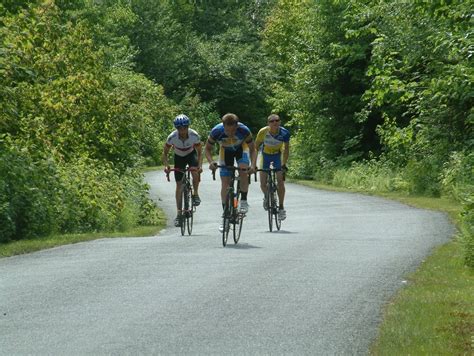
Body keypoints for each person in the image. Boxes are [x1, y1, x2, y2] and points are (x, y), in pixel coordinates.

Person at [204, 113, 257, 232]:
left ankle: (243, 200)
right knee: (225, 183)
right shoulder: (216, 131)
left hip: (241, 149)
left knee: (243, 169)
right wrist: (211, 162)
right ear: (223, 126)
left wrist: (252, 165)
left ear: (237, 126)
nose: (230, 133)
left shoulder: (244, 130)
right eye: (227, 131)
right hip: (225, 151)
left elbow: (253, 149)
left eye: (233, 130)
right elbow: (207, 149)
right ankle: (225, 216)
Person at [162, 114, 203, 227]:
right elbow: (165, 152)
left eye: (185, 127)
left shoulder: (194, 135)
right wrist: (166, 166)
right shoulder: (172, 137)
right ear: (176, 128)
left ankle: (195, 194)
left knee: (195, 172)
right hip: (179, 157)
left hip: (191, 154)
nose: (182, 130)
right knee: (179, 185)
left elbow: (200, 152)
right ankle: (179, 214)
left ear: (188, 126)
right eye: (179, 128)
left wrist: (199, 166)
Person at [255, 114, 290, 220]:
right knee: (262, 183)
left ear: (279, 122)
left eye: (277, 121)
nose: (274, 123)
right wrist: (254, 164)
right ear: (268, 123)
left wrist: (283, 164)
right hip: (265, 155)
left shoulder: (284, 133)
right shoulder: (263, 132)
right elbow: (256, 147)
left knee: (280, 182)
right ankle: (267, 196)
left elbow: (286, 149)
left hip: (277, 156)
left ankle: (281, 208)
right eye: (272, 121)